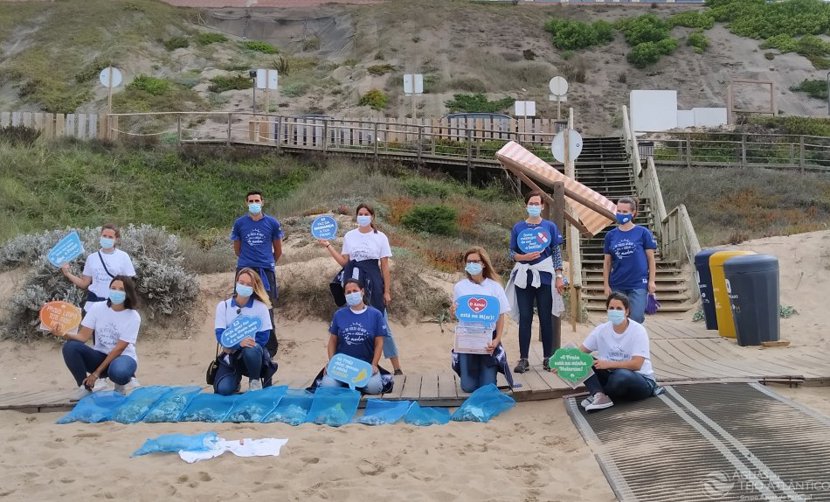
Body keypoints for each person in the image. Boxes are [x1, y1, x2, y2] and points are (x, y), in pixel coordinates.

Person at [319, 203, 403, 375]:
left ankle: (397, 367)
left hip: (373, 281)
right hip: (353, 281)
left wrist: (386, 290)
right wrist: (328, 246)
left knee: (382, 323)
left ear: (372, 216)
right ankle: (344, 364)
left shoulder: (380, 237)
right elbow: (344, 262)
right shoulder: (350, 236)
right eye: (360, 213)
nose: (363, 216)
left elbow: (385, 267)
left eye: (366, 213)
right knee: (351, 323)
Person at [51, 276, 141, 399]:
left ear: (128, 293)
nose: (116, 292)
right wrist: (63, 333)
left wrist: (96, 374)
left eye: (121, 289)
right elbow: (83, 337)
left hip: (123, 358)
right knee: (70, 347)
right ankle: (85, 387)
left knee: (119, 372)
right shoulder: (98, 308)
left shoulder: (133, 316)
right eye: (113, 288)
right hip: (100, 356)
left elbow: (118, 349)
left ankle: (120, 384)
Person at [506, 192, 565, 374]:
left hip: (545, 277)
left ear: (542, 206)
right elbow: (510, 252)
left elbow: (556, 252)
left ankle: (548, 358)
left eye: (537, 203)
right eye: (530, 202)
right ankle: (524, 358)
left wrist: (559, 275)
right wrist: (523, 257)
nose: (534, 205)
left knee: (546, 318)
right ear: (526, 205)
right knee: (525, 318)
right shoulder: (518, 227)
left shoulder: (550, 226)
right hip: (524, 278)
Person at [578, 292, 659, 412]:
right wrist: (562, 364)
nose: (614, 311)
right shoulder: (601, 330)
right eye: (611, 308)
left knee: (621, 376)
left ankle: (602, 394)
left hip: (640, 380)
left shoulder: (638, 331)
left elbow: (637, 364)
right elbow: (579, 353)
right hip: (611, 376)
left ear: (626, 311)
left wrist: (609, 364)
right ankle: (599, 395)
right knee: (581, 361)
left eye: (619, 308)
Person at [452, 247, 513, 393]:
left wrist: (497, 339)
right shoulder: (460, 287)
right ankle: (469, 375)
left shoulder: (495, 287)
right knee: (468, 387)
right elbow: (458, 314)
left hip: (487, 339)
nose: (472, 264)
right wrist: (452, 311)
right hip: (467, 338)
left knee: (487, 387)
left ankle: (489, 375)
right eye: (469, 262)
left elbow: (500, 315)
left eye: (475, 261)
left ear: (483, 263)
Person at [231, 190, 284, 357]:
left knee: (266, 308)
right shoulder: (240, 223)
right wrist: (248, 263)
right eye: (251, 201)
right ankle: (239, 344)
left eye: (257, 200)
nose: (254, 203)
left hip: (265, 271)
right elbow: (237, 249)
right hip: (245, 269)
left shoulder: (272, 223)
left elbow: (278, 250)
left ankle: (269, 349)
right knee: (241, 306)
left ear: (262, 202)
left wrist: (267, 262)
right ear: (246, 203)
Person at [213, 267, 278, 395]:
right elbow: (220, 334)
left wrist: (243, 344)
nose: (244, 286)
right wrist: (238, 344)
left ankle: (255, 381)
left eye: (249, 284)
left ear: (254, 287)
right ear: (236, 282)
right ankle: (234, 381)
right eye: (241, 283)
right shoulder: (223, 306)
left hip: (252, 353)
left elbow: (264, 337)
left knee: (251, 349)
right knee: (223, 390)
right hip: (230, 356)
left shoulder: (261, 307)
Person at [320, 279, 388, 395]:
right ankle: (349, 384)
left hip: (364, 366)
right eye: (348, 292)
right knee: (327, 386)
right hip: (342, 366)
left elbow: (379, 343)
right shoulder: (339, 315)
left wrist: (374, 364)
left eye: (355, 291)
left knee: (374, 387)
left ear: (362, 291)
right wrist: (332, 363)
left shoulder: (375, 315)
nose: (352, 294)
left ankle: (352, 385)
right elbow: (332, 341)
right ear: (345, 295)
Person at [603, 196, 657, 324]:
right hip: (617, 283)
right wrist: (606, 285)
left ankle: (635, 340)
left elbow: (651, 259)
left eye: (625, 212)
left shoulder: (643, 233)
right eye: (619, 211)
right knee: (617, 319)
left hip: (638, 283)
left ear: (633, 213)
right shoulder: (610, 235)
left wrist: (652, 281)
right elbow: (607, 263)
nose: (621, 214)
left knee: (636, 317)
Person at [61, 224, 136, 314]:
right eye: (104, 236)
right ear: (100, 236)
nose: (107, 238)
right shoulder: (92, 258)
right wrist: (67, 273)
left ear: (116, 239)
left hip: (115, 305)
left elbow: (129, 285)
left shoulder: (123, 256)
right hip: (93, 306)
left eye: (110, 237)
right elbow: (84, 284)